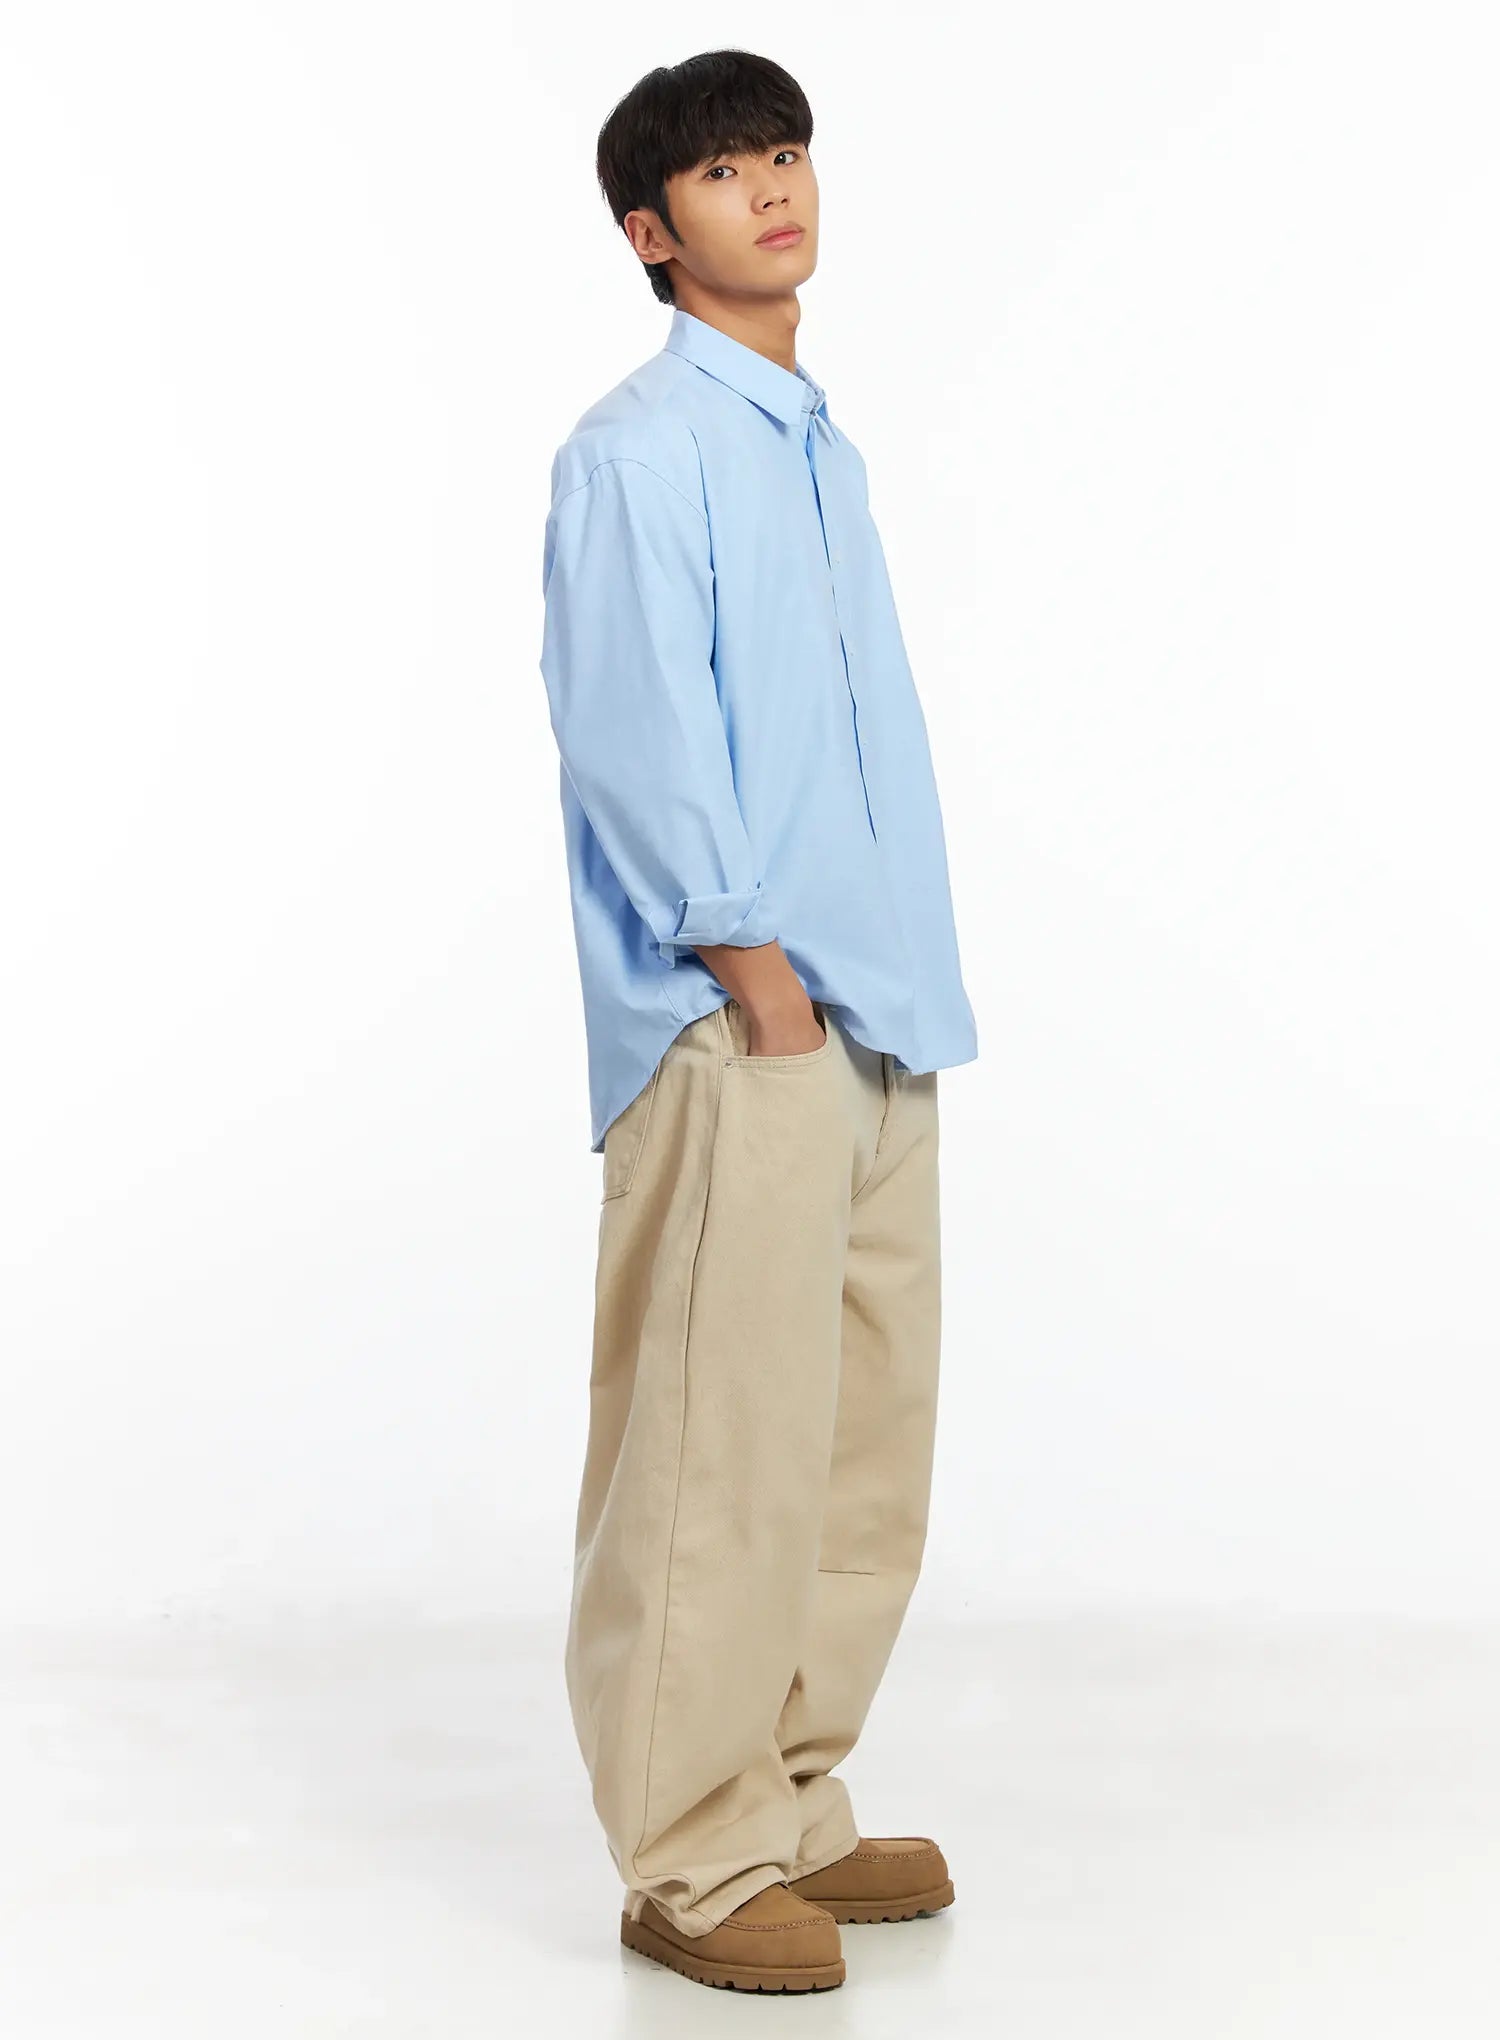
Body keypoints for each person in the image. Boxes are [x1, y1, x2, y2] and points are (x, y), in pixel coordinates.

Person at [536, 48, 978, 1995]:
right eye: (726, 172)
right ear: (654, 233)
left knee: (856, 1435)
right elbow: (634, 728)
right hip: (745, 1024)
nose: (773, 188)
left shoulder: (818, 446)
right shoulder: (638, 451)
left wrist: (869, 987)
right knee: (717, 1443)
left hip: (881, 1008)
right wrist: (753, 971)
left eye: (786, 152)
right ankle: (688, 1853)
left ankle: (789, 1797)